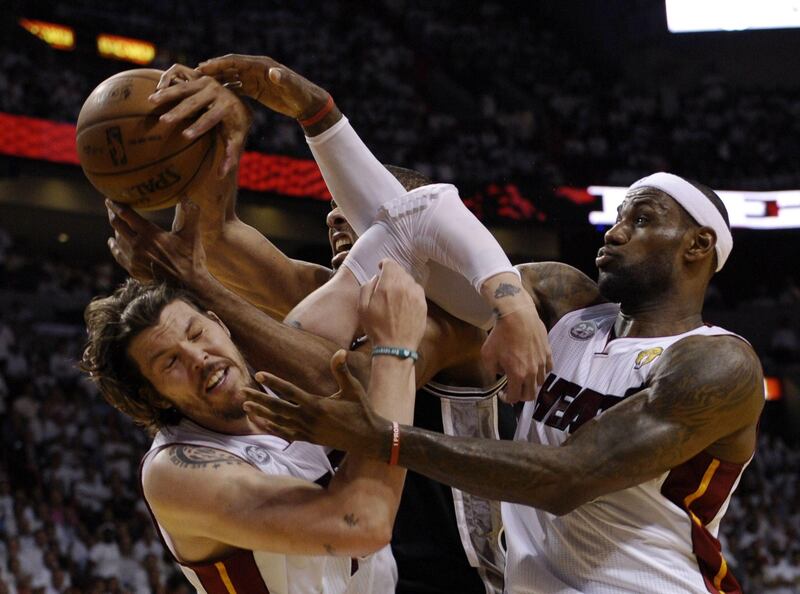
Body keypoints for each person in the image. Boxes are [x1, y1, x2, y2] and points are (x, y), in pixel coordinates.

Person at [251, 173, 765, 593]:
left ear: (698, 245)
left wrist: (381, 439)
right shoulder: (564, 302)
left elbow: (566, 479)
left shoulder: (717, 362)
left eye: (642, 219)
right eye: (618, 217)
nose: (615, 232)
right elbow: (435, 239)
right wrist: (321, 118)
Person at [105, 75, 509, 593]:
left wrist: (512, 305)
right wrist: (211, 134)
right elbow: (213, 238)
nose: (337, 226)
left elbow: (342, 367)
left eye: (356, 216)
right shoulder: (320, 314)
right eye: (333, 217)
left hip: (468, 572)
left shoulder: (453, 325)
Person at [80, 259, 428, 593]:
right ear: (154, 397)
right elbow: (362, 524)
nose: (198, 358)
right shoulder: (174, 473)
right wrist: (396, 351)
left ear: (220, 322)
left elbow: (385, 247)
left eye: (197, 333)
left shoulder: (288, 371)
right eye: (171, 362)